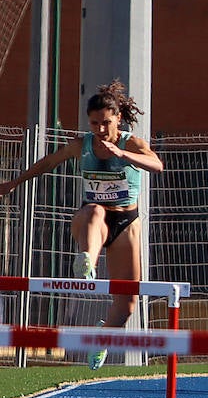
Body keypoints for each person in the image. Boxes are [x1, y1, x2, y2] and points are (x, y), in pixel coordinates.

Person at [0, 81, 164, 370]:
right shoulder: (81, 145)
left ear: (118, 120)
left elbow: (156, 165)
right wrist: (15, 182)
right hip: (90, 220)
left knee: (126, 305)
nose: (100, 130)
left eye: (106, 123)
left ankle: (103, 337)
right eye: (94, 123)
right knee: (95, 210)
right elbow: (48, 163)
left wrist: (123, 155)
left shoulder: (131, 143)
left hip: (126, 223)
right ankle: (86, 259)